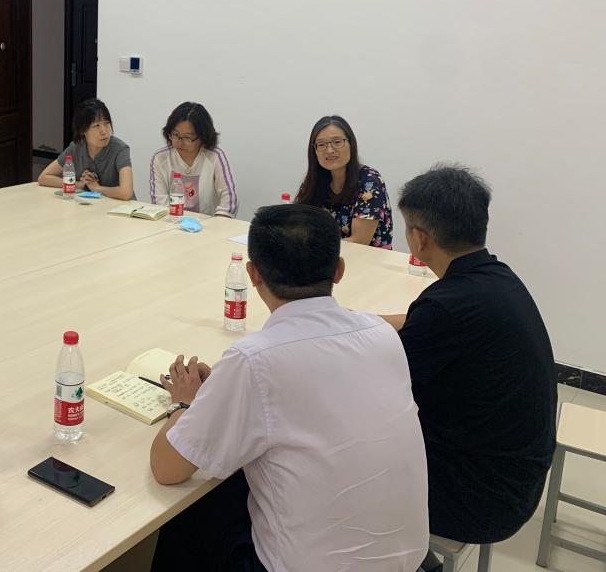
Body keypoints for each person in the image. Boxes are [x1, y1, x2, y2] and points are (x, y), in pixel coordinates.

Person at [148, 204, 428, 571]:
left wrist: (185, 404)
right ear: (339, 270)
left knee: (188, 513)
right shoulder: (382, 335)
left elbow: (166, 468)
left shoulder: (254, 360)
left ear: (253, 274)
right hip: (409, 560)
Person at [382, 166, 556, 545]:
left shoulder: (445, 306)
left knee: (335, 441)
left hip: (480, 500)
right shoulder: (494, 277)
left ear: (419, 239)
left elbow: (378, 384)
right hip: (516, 478)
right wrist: (363, 321)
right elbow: (418, 322)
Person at [294, 114, 392, 248]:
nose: (329, 150)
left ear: (351, 144)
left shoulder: (369, 181)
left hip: (366, 258)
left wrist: (313, 246)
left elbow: (359, 241)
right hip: (324, 257)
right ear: (314, 150)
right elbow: (297, 225)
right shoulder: (314, 181)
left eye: (337, 142)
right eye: (321, 144)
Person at [148, 102, 238, 217]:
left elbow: (229, 203)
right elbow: (159, 204)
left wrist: (217, 223)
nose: (180, 142)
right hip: (172, 223)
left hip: (210, 224)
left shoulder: (215, 156)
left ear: (202, 136)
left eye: (188, 138)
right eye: (175, 135)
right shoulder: (160, 158)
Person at [37, 98, 134, 200]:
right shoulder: (76, 148)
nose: (104, 131)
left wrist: (97, 188)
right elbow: (44, 177)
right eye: (96, 125)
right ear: (83, 130)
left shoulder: (120, 149)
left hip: (122, 207)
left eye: (106, 123)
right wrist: (78, 185)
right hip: (92, 205)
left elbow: (126, 193)